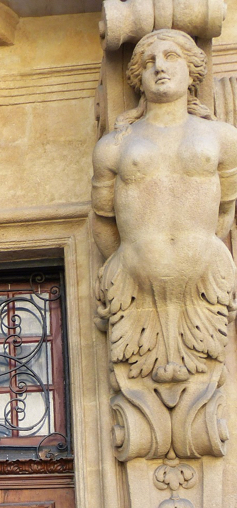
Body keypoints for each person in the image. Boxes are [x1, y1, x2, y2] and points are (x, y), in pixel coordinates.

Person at [92, 29, 237, 458]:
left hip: (203, 279)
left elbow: (225, 211)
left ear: (192, 70)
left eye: (171, 56)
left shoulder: (223, 138)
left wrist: (200, 251)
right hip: (134, 281)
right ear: (136, 77)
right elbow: (104, 223)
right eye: (149, 59)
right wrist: (132, 259)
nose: (160, 65)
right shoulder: (113, 145)